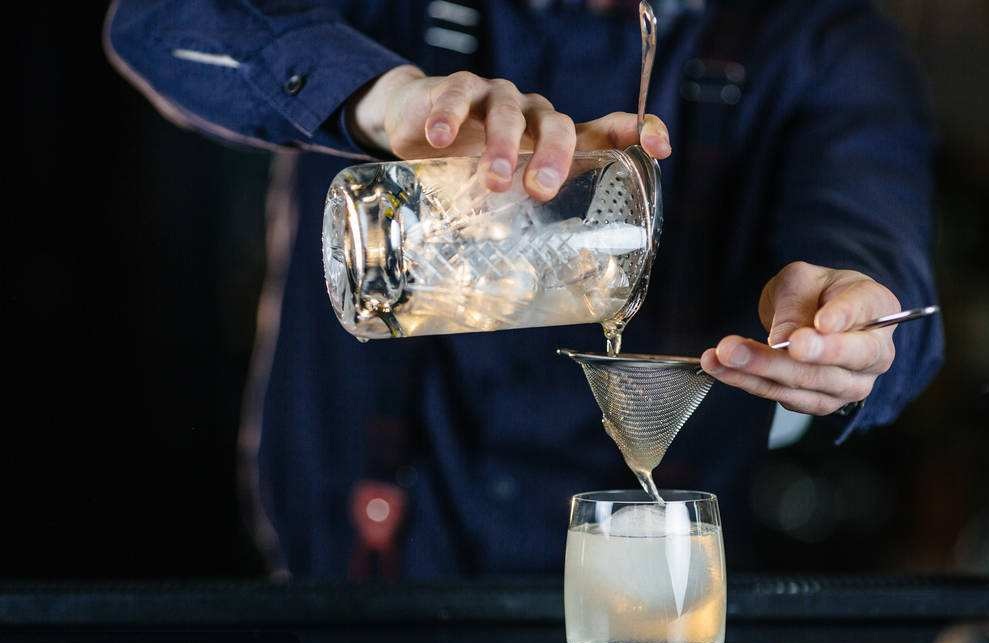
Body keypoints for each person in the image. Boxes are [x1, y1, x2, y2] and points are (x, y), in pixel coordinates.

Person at [105, 0, 943, 578]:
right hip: (364, 580)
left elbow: (874, 233)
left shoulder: (822, 42)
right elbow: (155, 22)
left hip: (648, 595)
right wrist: (387, 100)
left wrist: (849, 315)